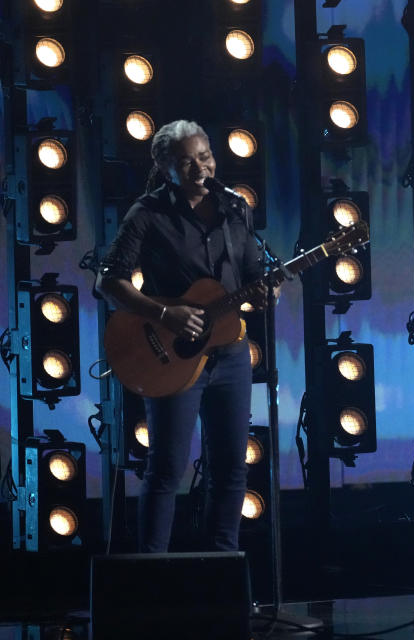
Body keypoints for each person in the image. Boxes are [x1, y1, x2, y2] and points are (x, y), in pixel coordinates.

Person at [97, 120, 265, 552]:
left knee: (231, 468)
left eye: (205, 157)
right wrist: (165, 313)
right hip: (171, 356)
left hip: (229, 353)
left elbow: (251, 273)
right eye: (187, 161)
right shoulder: (147, 214)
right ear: (165, 167)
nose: (200, 168)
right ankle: (152, 577)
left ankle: (222, 570)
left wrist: (267, 289)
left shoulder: (234, 208)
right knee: (166, 469)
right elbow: (110, 282)